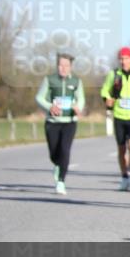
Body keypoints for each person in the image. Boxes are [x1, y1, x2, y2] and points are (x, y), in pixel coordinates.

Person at [35, 53, 86, 195]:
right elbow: (39, 97)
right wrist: (49, 106)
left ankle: (61, 181)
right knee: (54, 153)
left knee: (65, 151)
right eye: (60, 65)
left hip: (69, 122)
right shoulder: (49, 80)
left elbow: (81, 99)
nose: (63, 68)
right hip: (52, 122)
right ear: (57, 66)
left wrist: (78, 107)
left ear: (70, 67)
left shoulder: (76, 81)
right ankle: (57, 165)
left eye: (66, 65)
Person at [100, 47, 130, 191]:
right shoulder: (113, 74)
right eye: (121, 59)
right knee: (121, 149)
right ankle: (124, 177)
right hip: (119, 116)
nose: (124, 61)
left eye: (126, 58)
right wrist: (107, 99)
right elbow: (104, 90)